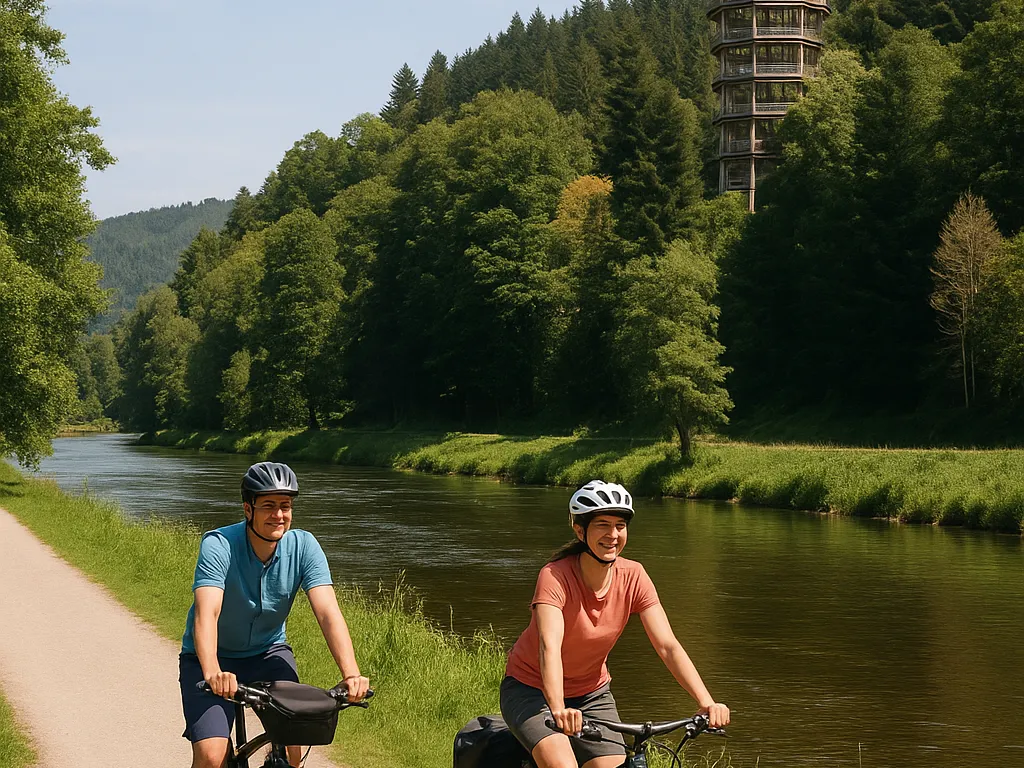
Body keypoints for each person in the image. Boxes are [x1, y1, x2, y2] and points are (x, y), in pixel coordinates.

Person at [500, 480, 730, 768]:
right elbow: (549, 646)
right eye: (602, 525)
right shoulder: (555, 576)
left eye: (620, 526)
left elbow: (668, 646)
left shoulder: (634, 576)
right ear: (580, 530)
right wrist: (558, 708)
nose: (613, 535)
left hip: (592, 694)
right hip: (531, 690)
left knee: (613, 765)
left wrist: (706, 702)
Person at [178, 461, 370, 768]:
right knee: (211, 757)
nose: (279, 515)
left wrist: (351, 674)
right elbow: (207, 612)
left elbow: (327, 612)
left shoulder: (304, 546)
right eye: (268, 506)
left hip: (269, 654)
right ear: (248, 509)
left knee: (296, 744)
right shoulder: (219, 544)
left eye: (286, 506)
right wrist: (213, 671)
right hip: (213, 659)